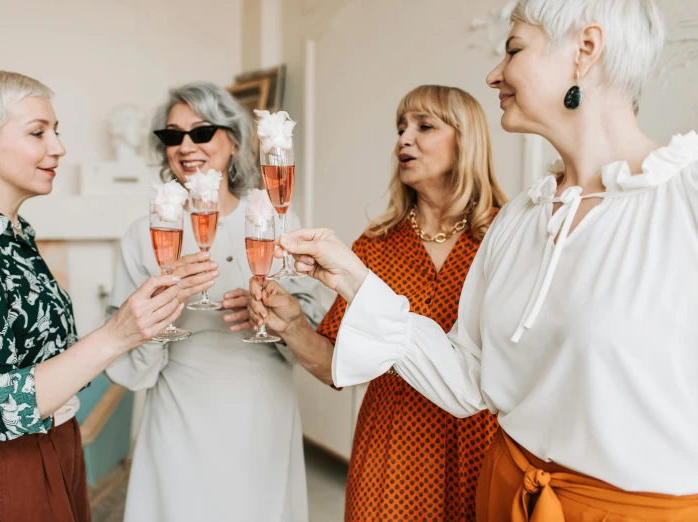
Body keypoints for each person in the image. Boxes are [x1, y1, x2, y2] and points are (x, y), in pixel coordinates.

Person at [269, 1, 698, 520]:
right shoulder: (521, 219)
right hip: (503, 494)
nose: (494, 74)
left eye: (514, 49)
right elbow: (467, 379)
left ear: (585, 51)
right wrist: (358, 279)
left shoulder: (684, 198)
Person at [0, 69, 215, 522]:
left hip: (56, 444)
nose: (58, 147)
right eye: (38, 132)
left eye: (56, 132)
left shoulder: (13, 231)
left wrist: (140, 317)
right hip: (2, 469)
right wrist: (117, 333)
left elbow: (43, 358)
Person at [249, 85, 505, 521]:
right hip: (393, 447)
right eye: (401, 128)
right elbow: (336, 365)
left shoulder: (505, 236)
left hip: (480, 443)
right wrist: (292, 327)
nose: (404, 138)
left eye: (424, 126)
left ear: (467, 140)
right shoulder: (375, 246)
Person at [105, 82, 326, 522]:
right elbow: (128, 364)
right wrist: (165, 303)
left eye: (201, 132)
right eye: (172, 136)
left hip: (261, 409)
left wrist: (280, 316)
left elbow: (314, 331)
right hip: (179, 413)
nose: (186, 146)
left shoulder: (275, 220)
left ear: (235, 141)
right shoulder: (144, 235)